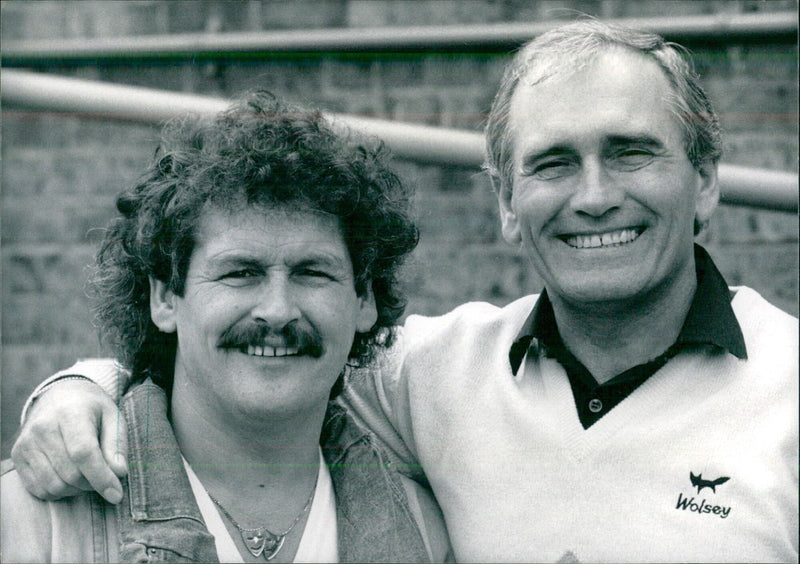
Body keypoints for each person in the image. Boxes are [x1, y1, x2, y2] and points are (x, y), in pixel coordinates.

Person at [9, 19, 798, 563]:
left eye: (630, 153)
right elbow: (255, 368)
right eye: (553, 163)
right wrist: (86, 387)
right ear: (505, 205)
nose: (593, 196)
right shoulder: (434, 372)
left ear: (705, 183)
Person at [1, 90, 452, 563]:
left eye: (312, 272)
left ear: (365, 300)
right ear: (164, 297)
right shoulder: (34, 520)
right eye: (241, 272)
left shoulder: (424, 531)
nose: (277, 311)